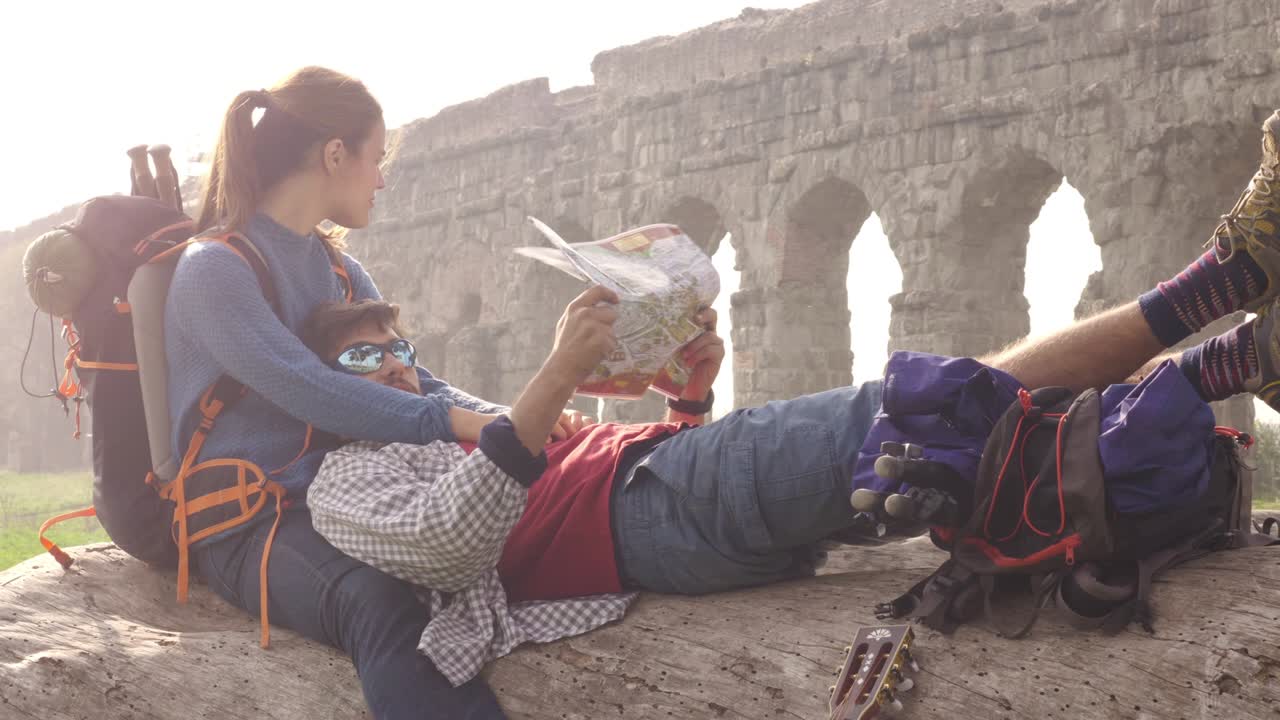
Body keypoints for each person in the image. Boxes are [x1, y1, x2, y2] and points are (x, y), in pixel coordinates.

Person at [303, 104, 1280, 683]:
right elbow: (451, 542)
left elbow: (575, 471)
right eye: (359, 358)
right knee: (910, 414)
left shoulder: (442, 419)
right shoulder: (345, 482)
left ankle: (1235, 358)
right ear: (312, 391)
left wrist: (685, 397)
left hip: (664, 491)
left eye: (398, 344)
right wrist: (553, 374)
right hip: (654, 511)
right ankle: (1219, 288)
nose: (392, 363)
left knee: (970, 445)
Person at [166, 66, 577, 719]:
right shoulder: (214, 269)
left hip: (357, 496)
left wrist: (520, 417)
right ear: (335, 154)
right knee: (381, 601)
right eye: (376, 158)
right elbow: (310, 388)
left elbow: (420, 379)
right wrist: (458, 424)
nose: (381, 178)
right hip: (254, 523)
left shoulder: (339, 267)